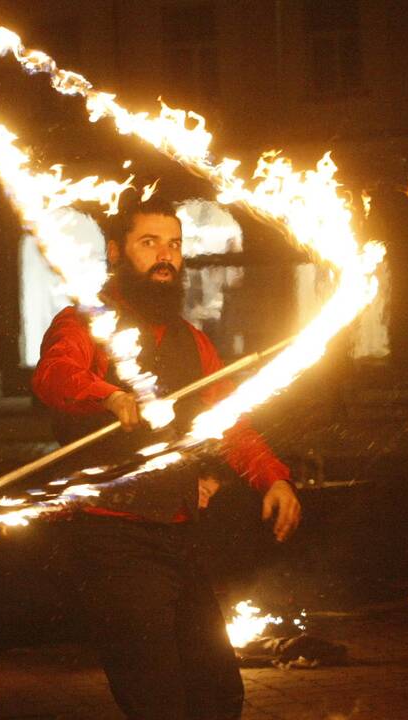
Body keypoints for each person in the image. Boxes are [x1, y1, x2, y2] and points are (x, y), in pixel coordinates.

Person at [31, 192, 301, 719]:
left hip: (179, 533)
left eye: (174, 245)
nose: (166, 256)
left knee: (218, 693)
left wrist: (274, 478)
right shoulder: (84, 323)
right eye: (149, 242)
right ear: (115, 252)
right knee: (158, 700)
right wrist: (106, 394)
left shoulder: (191, 340)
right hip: (114, 538)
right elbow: (54, 375)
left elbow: (231, 423)